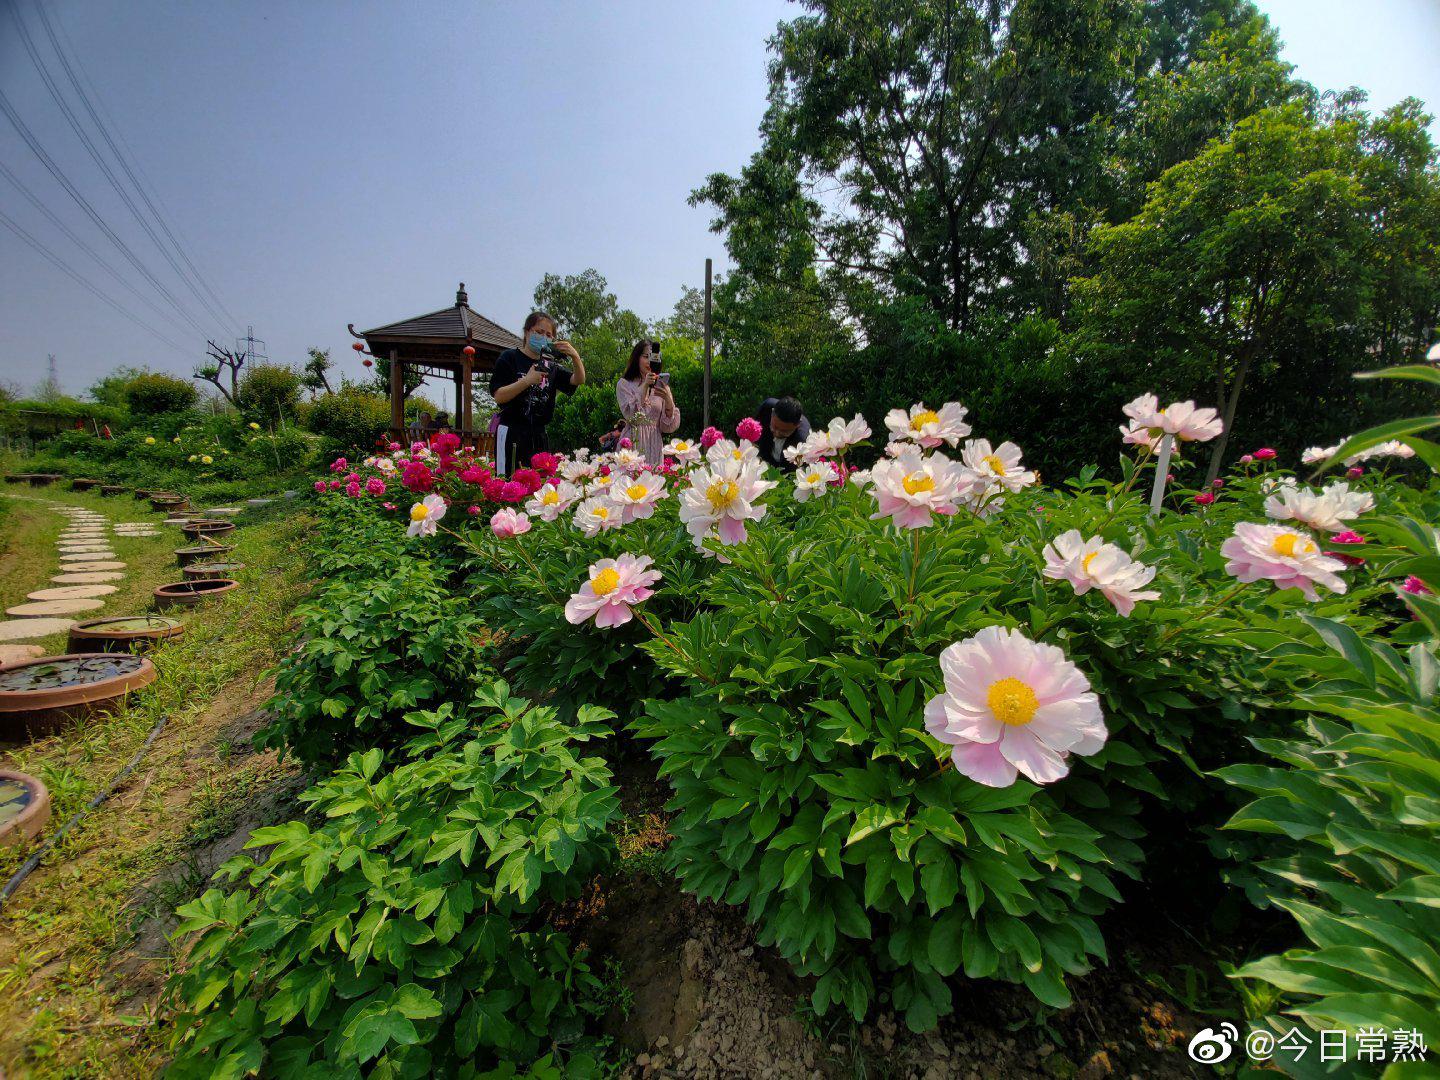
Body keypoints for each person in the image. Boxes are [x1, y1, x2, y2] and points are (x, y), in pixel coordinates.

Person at [489, 311, 586, 474]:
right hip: (512, 432)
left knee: (539, 486)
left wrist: (575, 357)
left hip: (539, 434)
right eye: (539, 332)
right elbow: (498, 395)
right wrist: (526, 381)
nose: (544, 337)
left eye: (549, 335)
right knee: (507, 484)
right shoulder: (510, 358)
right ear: (527, 332)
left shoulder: (551, 366)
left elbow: (578, 379)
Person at [616, 340, 680, 465]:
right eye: (646, 357)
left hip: (654, 443)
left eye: (653, 357)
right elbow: (630, 415)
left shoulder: (662, 385)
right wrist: (645, 385)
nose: (649, 361)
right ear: (636, 358)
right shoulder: (624, 384)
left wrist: (669, 401)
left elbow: (667, 427)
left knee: (654, 482)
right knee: (632, 483)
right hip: (633, 442)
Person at [755, 396, 810, 471]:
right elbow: (755, 434)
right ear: (772, 412)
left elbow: (794, 471)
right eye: (775, 427)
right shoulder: (765, 409)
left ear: (798, 424)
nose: (777, 434)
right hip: (765, 454)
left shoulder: (802, 440)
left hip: (785, 468)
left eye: (784, 431)